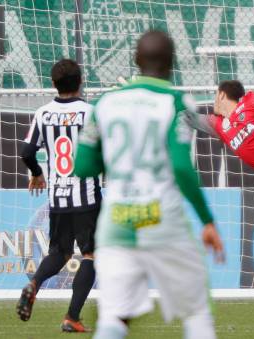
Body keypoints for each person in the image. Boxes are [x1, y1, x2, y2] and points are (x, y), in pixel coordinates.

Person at [74, 30, 224, 339]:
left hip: (116, 221)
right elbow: (182, 166)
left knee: (114, 319)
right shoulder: (176, 101)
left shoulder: (105, 103)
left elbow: (83, 166)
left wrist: (115, 159)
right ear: (172, 63)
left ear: (136, 60)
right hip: (161, 218)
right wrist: (207, 220)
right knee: (196, 315)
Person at [16, 59, 101, 332]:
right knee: (90, 255)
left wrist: (37, 173)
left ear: (53, 84)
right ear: (81, 82)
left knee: (60, 252)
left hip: (58, 198)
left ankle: (34, 284)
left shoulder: (43, 114)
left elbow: (27, 151)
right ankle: (72, 317)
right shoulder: (91, 112)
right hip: (86, 196)